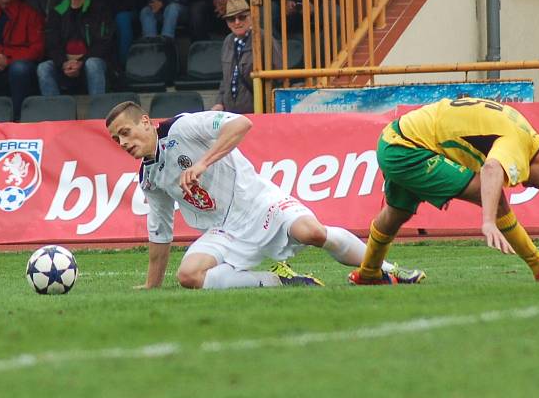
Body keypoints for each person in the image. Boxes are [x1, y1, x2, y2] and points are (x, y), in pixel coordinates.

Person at [105, 101, 426, 290]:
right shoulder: (149, 177)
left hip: (258, 202)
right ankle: (279, 280)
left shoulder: (183, 127)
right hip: (223, 231)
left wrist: (202, 162)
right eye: (116, 139)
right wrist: (151, 286)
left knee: (311, 233)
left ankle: (386, 269)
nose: (123, 142)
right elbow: (160, 233)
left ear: (145, 122)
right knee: (189, 276)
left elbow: (241, 124)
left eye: (126, 132)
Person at [349, 97, 539, 286]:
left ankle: (369, 273)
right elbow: (492, 168)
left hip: (396, 139)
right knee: (494, 197)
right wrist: (488, 222)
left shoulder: (525, 134)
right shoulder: (519, 144)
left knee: (396, 213)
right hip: (409, 148)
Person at [37, 0, 113, 97]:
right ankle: (56, 113)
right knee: (44, 68)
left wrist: (81, 61)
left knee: (93, 64)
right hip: (65, 64)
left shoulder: (100, 8)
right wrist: (63, 63)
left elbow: (103, 42)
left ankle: (97, 113)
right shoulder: (57, 11)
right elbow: (52, 43)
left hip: (92, 61)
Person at [212, 0, 280, 114]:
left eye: (242, 17)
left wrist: (269, 106)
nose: (237, 22)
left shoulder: (263, 38)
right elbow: (226, 78)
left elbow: (278, 74)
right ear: (227, 23)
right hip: (231, 113)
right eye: (231, 19)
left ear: (251, 17)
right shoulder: (228, 41)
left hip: (258, 111)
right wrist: (219, 102)